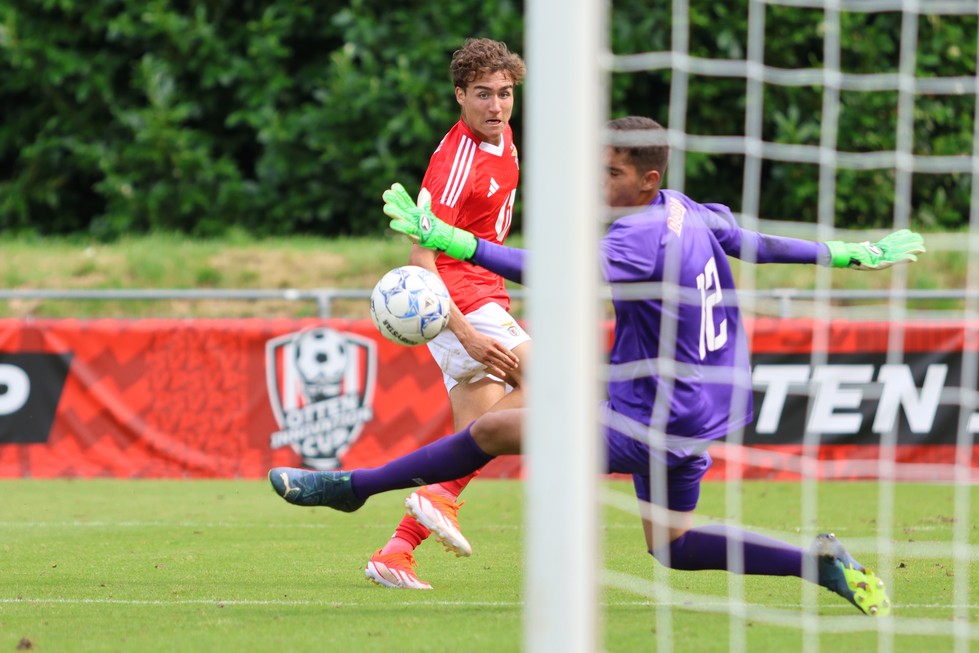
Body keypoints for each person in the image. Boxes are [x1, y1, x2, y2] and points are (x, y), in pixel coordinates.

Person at [270, 116, 925, 615]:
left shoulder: (636, 235)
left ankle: (353, 490)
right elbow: (757, 243)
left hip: (655, 413)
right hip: (701, 410)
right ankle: (816, 561)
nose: (596, 183)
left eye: (608, 172)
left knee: (494, 431)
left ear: (645, 180)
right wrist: (848, 253)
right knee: (673, 546)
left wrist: (453, 241)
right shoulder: (684, 210)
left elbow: (550, 273)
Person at [364, 38, 531, 590]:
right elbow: (420, 258)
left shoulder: (505, 141)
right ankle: (440, 497)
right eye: (482, 94)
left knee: (477, 438)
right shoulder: (454, 162)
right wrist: (467, 334)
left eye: (504, 93)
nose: (496, 106)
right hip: (459, 301)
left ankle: (397, 551)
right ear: (460, 96)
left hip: (486, 296)